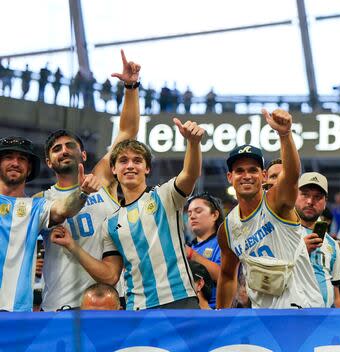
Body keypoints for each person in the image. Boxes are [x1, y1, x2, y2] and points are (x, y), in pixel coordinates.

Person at [51, 118, 206, 310]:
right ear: (114, 169)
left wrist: (193, 143)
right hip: (138, 308)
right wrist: (72, 246)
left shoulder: (165, 195)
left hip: (180, 300)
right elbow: (110, 275)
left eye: (137, 160)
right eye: (123, 161)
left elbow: (190, 174)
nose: (130, 165)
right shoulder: (110, 223)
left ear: (147, 168)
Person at [40, 50, 141, 311]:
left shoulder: (102, 176)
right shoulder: (41, 201)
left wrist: (130, 87)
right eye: (56, 149)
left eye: (69, 146)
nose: (64, 150)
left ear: (82, 154)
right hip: (59, 305)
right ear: (49, 162)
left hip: (107, 305)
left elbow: (127, 131)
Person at [216, 110, 323, 309]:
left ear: (264, 176)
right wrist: (220, 317)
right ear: (230, 177)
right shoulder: (227, 228)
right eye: (239, 171)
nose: (246, 175)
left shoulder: (275, 201)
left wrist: (285, 135)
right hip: (263, 318)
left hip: (303, 310)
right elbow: (227, 274)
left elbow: (291, 175)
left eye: (253, 170)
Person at [0, 136, 101, 311]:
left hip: (16, 311)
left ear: (29, 167)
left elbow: (63, 210)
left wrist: (83, 192)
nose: (15, 162)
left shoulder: (35, 207)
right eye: (8, 157)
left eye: (22, 159)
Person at [296, 172, 340, 307]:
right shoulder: (281, 234)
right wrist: (301, 249)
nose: (310, 202)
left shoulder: (332, 244)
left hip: (325, 318)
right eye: (305, 194)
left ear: (325, 202)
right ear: (294, 196)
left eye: (317, 197)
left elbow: (336, 290)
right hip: (291, 316)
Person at [185, 193, 223, 309]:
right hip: (189, 310)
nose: (192, 216)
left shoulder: (223, 243)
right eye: (189, 213)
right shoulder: (190, 246)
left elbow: (224, 275)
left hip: (215, 311)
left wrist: (191, 255)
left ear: (214, 215)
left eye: (198, 211)